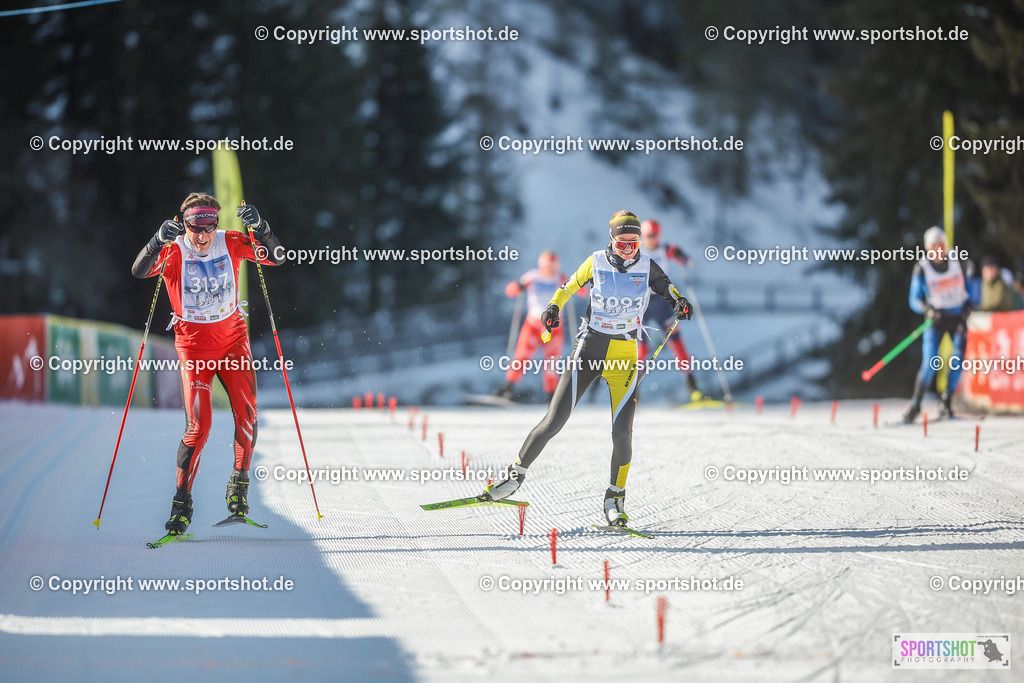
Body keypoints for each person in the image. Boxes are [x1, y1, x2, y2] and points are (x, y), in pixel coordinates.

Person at [482, 211, 693, 527]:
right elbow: (566, 286)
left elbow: (670, 290)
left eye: (633, 243)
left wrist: (681, 303)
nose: (628, 249)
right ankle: (514, 478)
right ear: (612, 239)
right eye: (622, 243)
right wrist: (553, 307)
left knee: (622, 434)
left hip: (624, 356)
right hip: (589, 349)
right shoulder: (595, 261)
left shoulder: (647, 266)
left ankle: (615, 498)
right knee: (554, 421)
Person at [131, 193, 284, 535]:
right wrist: (157, 241)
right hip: (194, 350)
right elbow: (139, 270)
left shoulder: (229, 241)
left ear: (216, 223)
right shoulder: (173, 251)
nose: (202, 236)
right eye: (194, 228)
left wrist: (261, 227)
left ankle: (239, 484)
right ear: (183, 225)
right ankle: (182, 502)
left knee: (247, 415)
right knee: (198, 428)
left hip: (233, 343)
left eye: (209, 227)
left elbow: (277, 258)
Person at [902, 226, 979, 423]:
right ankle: (916, 404)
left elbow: (973, 288)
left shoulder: (959, 262)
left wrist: (970, 304)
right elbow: (914, 300)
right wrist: (928, 310)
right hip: (935, 320)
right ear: (928, 248)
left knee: (956, 358)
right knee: (930, 362)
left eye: (941, 246)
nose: (939, 251)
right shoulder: (922, 268)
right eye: (934, 247)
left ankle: (946, 402)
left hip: (957, 318)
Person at [496, 251, 587, 401]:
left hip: (553, 328)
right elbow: (510, 291)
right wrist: (518, 286)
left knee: (551, 362)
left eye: (553, 266)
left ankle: (551, 396)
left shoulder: (561, 278)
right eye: (548, 266)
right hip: (533, 324)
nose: (550, 270)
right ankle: (508, 388)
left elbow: (582, 292)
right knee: (521, 356)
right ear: (542, 265)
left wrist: (579, 286)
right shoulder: (532, 277)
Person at [639, 219, 702, 401]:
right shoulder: (635, 251)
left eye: (655, 235)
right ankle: (633, 390)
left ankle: (692, 386)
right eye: (648, 235)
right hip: (642, 304)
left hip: (661, 302)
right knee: (641, 350)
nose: (652, 239)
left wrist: (683, 258)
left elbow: (688, 261)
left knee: (677, 343)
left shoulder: (666, 249)